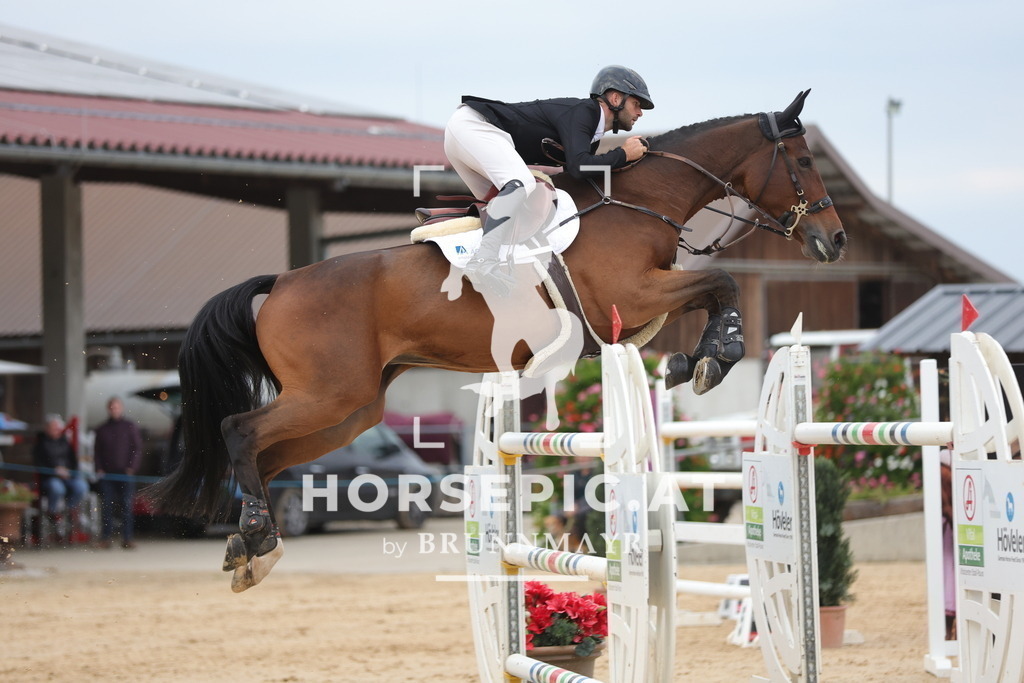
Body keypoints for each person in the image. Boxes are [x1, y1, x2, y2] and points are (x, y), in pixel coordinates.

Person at [444, 65, 654, 295]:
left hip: (464, 131)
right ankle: (483, 262)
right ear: (615, 98)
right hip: (474, 125)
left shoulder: (590, 132)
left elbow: (578, 176)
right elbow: (579, 167)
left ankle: (470, 252)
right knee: (522, 184)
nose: (640, 112)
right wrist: (623, 154)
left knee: (502, 210)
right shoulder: (585, 112)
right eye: (637, 104)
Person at [93, 397, 142, 549]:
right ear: (109, 409)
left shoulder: (129, 426)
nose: (114, 410)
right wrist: (99, 467)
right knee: (107, 506)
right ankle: (106, 538)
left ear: (121, 408)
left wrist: (131, 467)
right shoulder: (102, 429)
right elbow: (97, 452)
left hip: (125, 474)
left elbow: (137, 448)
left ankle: (127, 538)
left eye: (117, 407)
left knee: (126, 506)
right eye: (112, 407)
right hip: (107, 475)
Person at [32, 414, 88, 541]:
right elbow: (39, 464)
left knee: (82, 486)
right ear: (47, 428)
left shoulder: (65, 443)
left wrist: (69, 471)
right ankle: (53, 513)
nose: (56, 430)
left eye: (58, 427)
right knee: (57, 488)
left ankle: (69, 511)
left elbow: (74, 462)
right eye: (53, 427)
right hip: (49, 478)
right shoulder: (40, 444)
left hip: (68, 477)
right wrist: (54, 470)